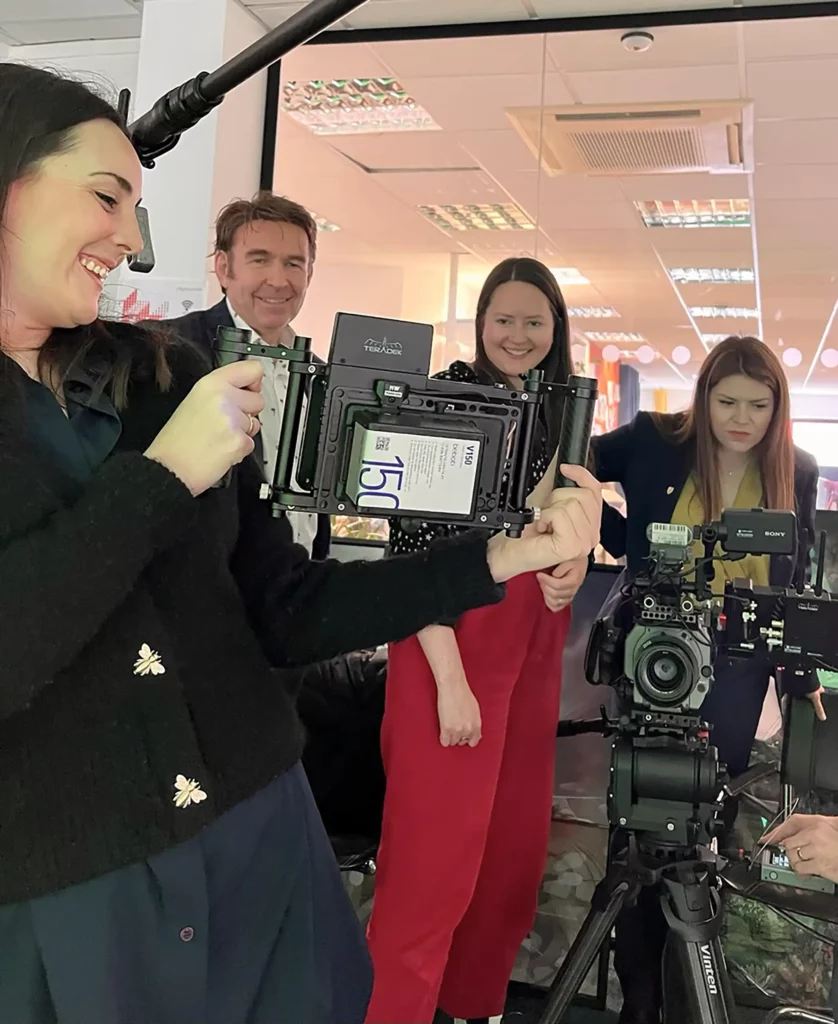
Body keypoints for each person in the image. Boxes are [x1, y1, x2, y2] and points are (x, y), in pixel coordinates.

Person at [0, 65, 603, 1024]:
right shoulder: (181, 422)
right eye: (107, 197)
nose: (129, 238)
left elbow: (288, 606)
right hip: (77, 887)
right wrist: (161, 481)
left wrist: (500, 556)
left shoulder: (166, 374)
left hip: (262, 837)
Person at [365, 257, 587, 1024]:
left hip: (530, 645)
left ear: (555, 328)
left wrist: (571, 563)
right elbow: (411, 550)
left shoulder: (559, 410)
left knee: (508, 865)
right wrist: (450, 680)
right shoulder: (448, 400)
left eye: (534, 321)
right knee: (431, 872)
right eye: (504, 319)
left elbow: (561, 525)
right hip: (451, 644)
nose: (518, 335)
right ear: (480, 322)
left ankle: (474, 1009)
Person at [589, 336, 823, 1024]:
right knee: (636, 833)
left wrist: (799, 669)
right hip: (655, 659)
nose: (741, 418)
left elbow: (794, 572)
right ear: (703, 397)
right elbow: (568, 460)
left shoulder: (796, 469)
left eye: (759, 404)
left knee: (699, 837)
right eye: (726, 402)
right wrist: (618, 536)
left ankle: (684, 995)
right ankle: (638, 1000)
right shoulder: (654, 440)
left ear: (778, 408)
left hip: (736, 674)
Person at [161, 191, 328, 558]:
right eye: (259, 260)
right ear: (223, 268)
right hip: (213, 591)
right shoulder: (170, 351)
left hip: (300, 590)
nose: (278, 280)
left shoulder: (319, 374)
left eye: (294, 264)